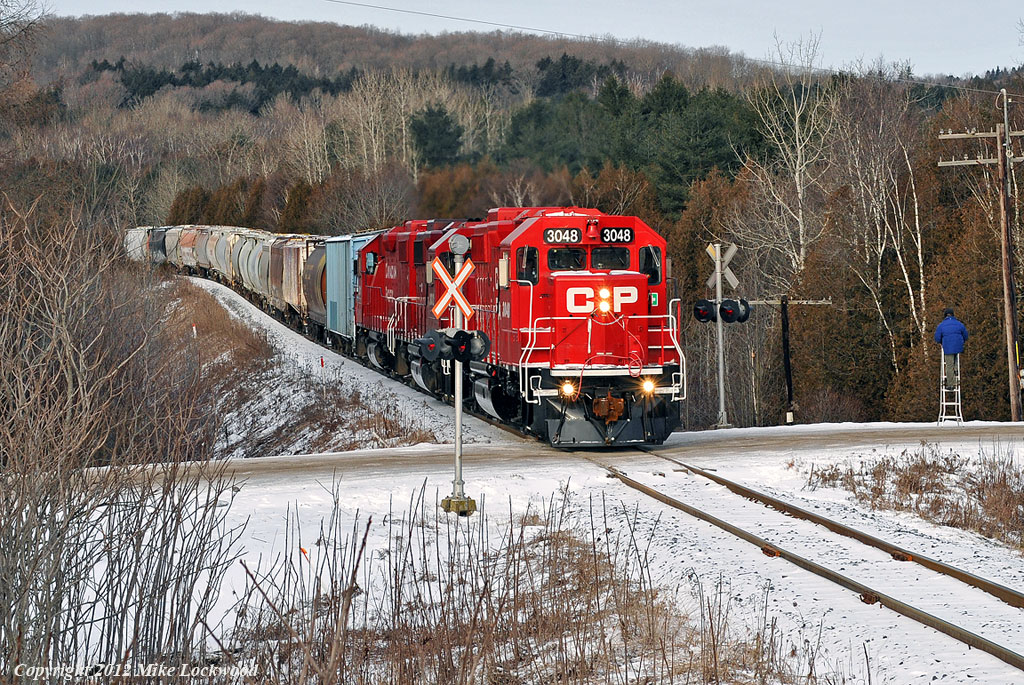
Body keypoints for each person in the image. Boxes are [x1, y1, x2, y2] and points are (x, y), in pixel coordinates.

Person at [934, 308, 968, 389]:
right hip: (958, 346)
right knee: (955, 357)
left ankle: (951, 384)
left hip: (948, 347)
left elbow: (937, 338)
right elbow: (966, 335)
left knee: (949, 365)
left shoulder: (941, 325)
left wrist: (941, 342)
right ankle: (956, 369)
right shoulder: (959, 324)